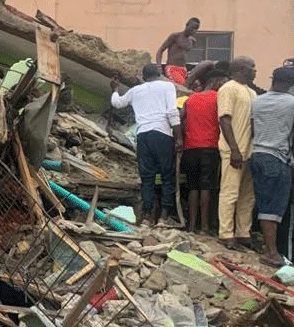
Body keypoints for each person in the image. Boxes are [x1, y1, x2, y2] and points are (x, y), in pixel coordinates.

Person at [110, 65, 182, 224]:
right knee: (167, 176)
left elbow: (117, 103)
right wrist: (178, 137)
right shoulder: (167, 86)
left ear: (143, 76)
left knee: (147, 177)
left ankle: (147, 216)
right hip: (162, 134)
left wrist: (115, 89)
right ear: (159, 73)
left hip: (142, 135)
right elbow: (172, 112)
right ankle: (164, 216)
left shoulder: (135, 91)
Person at [250, 68, 294, 266]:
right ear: (291, 81)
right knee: (274, 207)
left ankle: (269, 248)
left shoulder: (258, 101)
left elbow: (253, 129)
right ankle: (271, 252)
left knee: (263, 203)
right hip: (278, 157)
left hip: (258, 154)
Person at [218, 57, 259, 249]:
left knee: (247, 197)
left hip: (250, 153)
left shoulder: (252, 92)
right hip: (233, 151)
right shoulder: (228, 88)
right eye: (251, 67)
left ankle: (243, 233)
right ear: (240, 69)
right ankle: (225, 234)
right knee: (230, 193)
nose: (254, 71)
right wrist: (234, 149)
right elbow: (225, 120)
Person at [180, 68, 228, 233]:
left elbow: (180, 119)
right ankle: (205, 227)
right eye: (223, 82)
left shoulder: (190, 99)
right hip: (210, 147)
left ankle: (192, 225)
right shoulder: (219, 98)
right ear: (215, 81)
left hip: (190, 148)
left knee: (193, 187)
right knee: (207, 187)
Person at [156, 18, 200, 86]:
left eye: (196, 29)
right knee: (183, 86)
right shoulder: (175, 36)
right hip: (172, 68)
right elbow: (160, 50)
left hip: (183, 69)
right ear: (187, 25)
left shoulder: (192, 41)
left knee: (196, 86)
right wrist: (159, 67)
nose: (194, 30)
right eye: (192, 28)